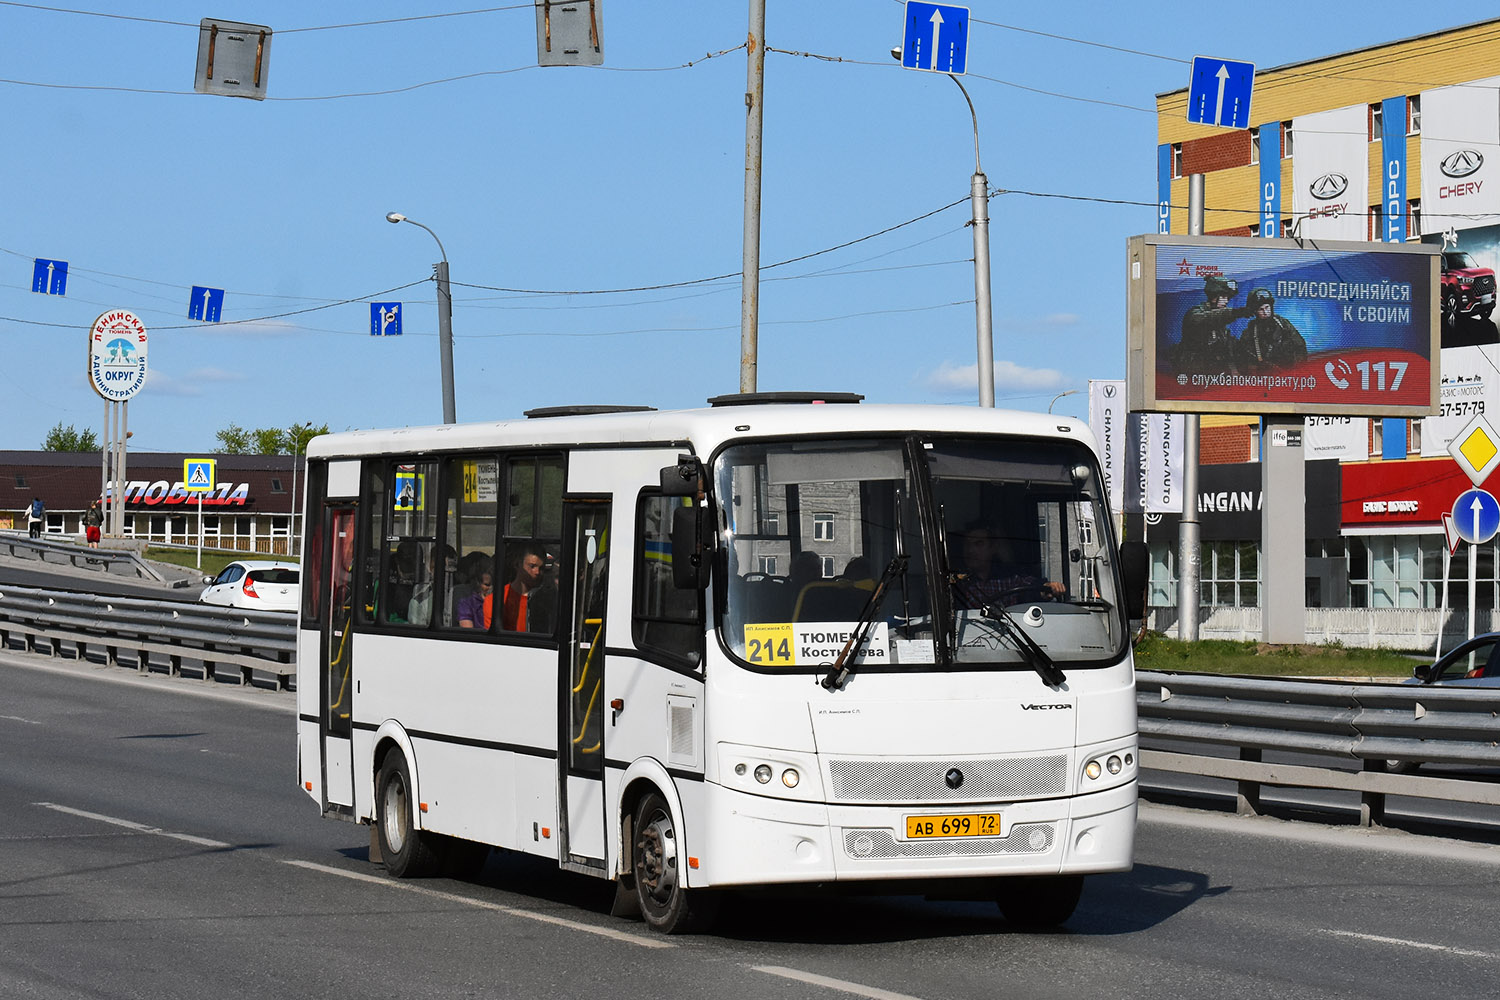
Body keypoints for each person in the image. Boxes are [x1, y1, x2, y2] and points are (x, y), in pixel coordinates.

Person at [953, 523, 1064, 609]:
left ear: (993, 548)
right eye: (967, 544)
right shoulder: (957, 582)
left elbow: (1031, 587)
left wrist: (1047, 587)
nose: (970, 550)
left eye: (979, 544)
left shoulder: (1008, 577)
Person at [1176, 275, 1253, 374]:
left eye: (1228, 298)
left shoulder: (1221, 324)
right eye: (1224, 297)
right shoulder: (1195, 313)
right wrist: (1235, 313)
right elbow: (1208, 318)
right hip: (1194, 372)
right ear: (1214, 296)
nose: (1226, 301)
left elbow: (1228, 348)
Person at [1235, 288, 1308, 374]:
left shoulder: (1283, 324)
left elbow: (1300, 347)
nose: (1265, 312)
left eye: (1267, 307)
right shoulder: (1250, 333)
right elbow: (1242, 361)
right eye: (1261, 309)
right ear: (1255, 312)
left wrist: (1296, 370)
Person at [408, 544, 457, 627]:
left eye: (448, 569)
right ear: (430, 567)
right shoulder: (419, 602)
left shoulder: (464, 597)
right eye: (437, 568)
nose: (444, 573)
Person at [500, 544, 546, 631]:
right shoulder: (499, 599)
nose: (537, 572)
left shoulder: (547, 600)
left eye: (542, 568)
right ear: (517, 564)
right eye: (532, 566)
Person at [457, 559, 495, 629]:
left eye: (494, 584)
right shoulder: (467, 604)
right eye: (487, 585)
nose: (491, 588)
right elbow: (468, 633)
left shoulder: (501, 602)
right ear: (478, 583)